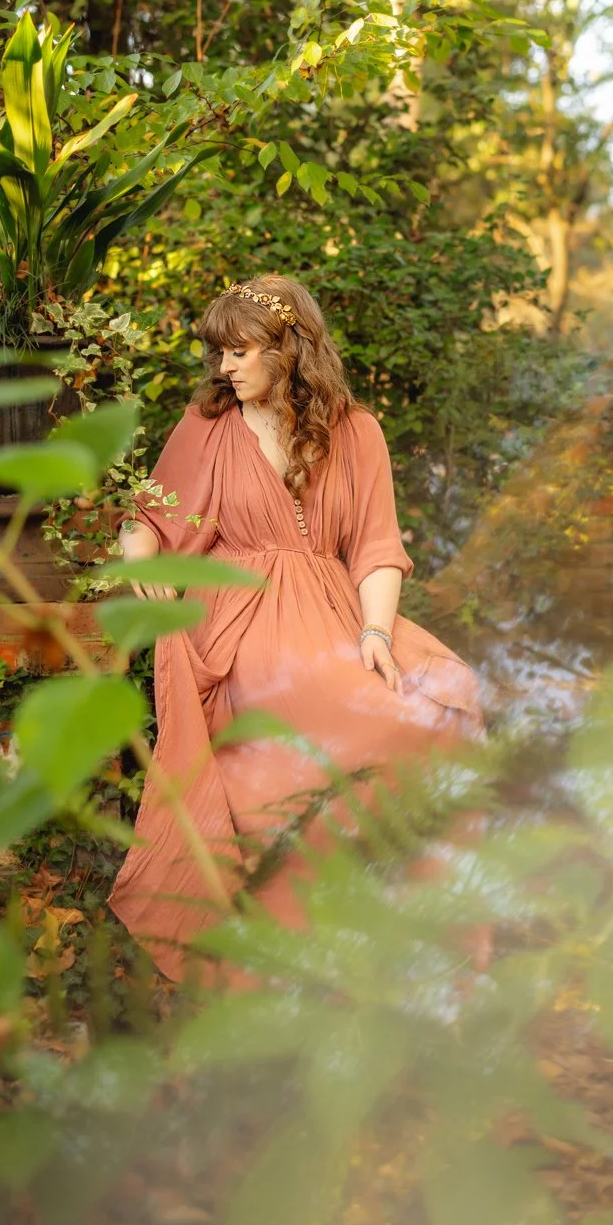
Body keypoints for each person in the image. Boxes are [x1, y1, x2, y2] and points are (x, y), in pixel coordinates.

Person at [108, 274, 482, 980]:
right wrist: (137, 560)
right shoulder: (207, 427)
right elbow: (151, 518)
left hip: (340, 610)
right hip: (247, 617)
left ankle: (407, 926)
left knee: (444, 698)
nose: (224, 366)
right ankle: (297, 938)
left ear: (291, 349)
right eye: (219, 351)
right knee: (333, 714)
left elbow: (375, 546)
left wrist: (376, 634)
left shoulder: (356, 430)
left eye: (241, 350)